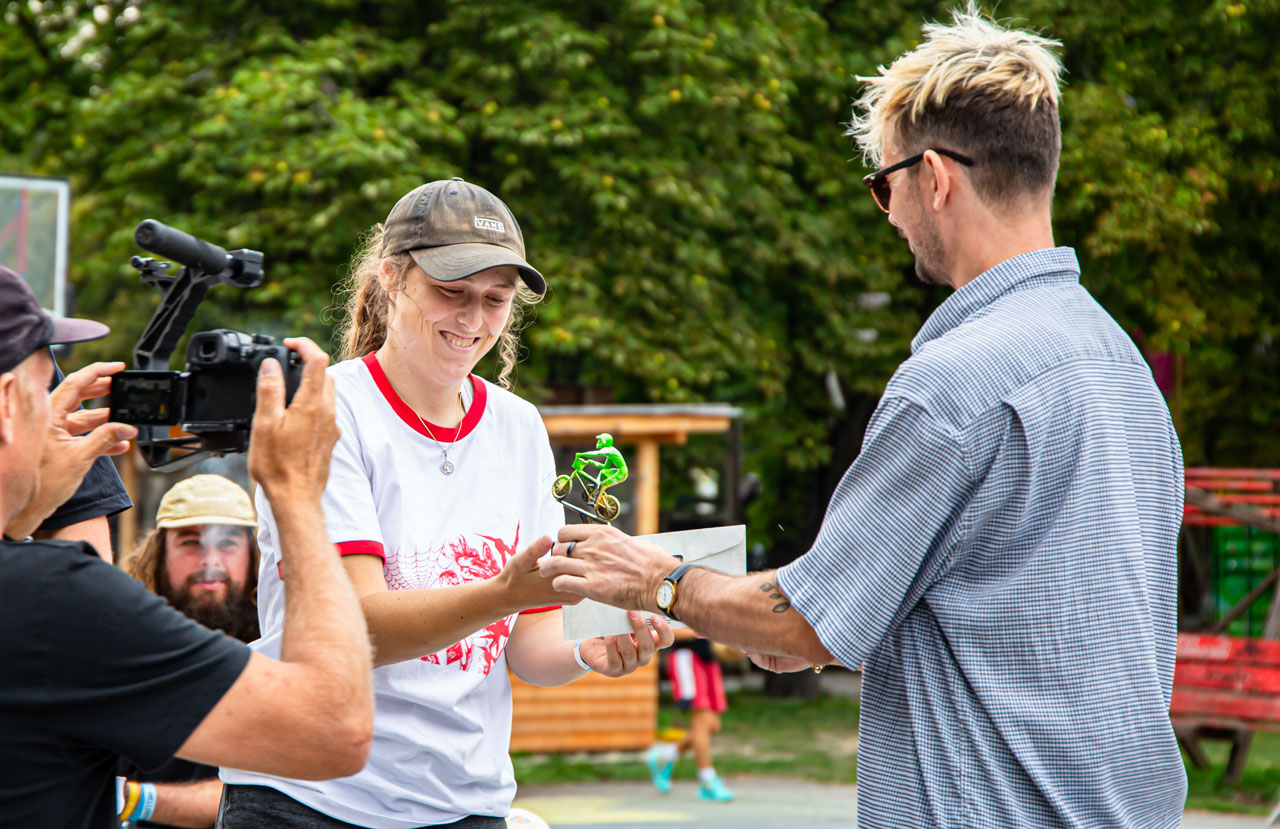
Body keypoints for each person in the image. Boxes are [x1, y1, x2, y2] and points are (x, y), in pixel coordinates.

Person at [540, 8, 1186, 828]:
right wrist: (803, 616)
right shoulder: (1120, 366)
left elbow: (808, 620)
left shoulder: (953, 382)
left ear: (938, 178)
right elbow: (992, 602)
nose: (887, 211)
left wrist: (655, 578)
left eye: (885, 183)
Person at [219, 177, 673, 828]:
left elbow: (525, 640)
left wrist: (585, 650)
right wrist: (502, 594)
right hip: (310, 797)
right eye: (450, 292)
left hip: (462, 802)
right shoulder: (325, 410)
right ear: (390, 280)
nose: (473, 319)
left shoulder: (519, 427)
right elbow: (353, 627)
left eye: (496, 300)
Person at [0, 264, 376, 828]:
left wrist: (22, 513)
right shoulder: (51, 598)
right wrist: (297, 495)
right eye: (42, 390)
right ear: (8, 403)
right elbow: (335, 730)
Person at [115, 474, 263, 828]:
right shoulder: (127, 649)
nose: (209, 560)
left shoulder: (277, 648)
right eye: (190, 542)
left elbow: (281, 794)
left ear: (254, 555)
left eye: (227, 542)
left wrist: (136, 800)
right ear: (159, 555)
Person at [645, 629, 735, 802]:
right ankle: (707, 780)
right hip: (687, 658)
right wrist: (706, 630)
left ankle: (666, 754)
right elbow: (663, 631)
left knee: (712, 725)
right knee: (702, 721)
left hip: (707, 659)